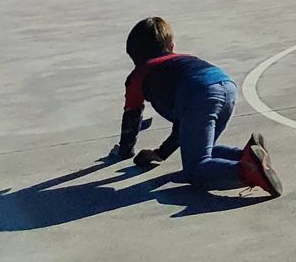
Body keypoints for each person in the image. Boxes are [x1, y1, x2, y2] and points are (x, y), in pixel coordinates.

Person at [111, 16, 280, 196]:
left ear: (134, 56)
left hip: (199, 94)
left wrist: (125, 151)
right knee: (201, 148)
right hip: (226, 85)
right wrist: (161, 153)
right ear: (172, 47)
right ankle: (247, 155)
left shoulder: (139, 75)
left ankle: (248, 170)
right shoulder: (182, 61)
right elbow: (183, 124)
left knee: (195, 169)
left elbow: (132, 118)